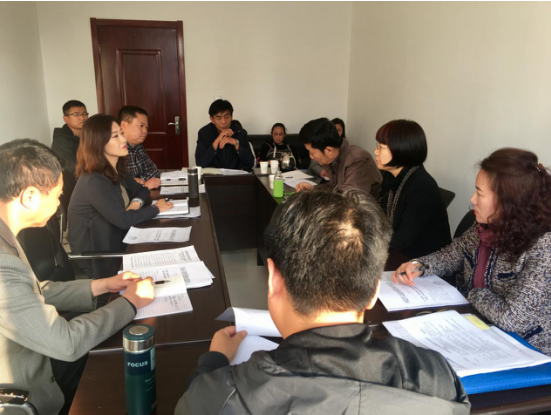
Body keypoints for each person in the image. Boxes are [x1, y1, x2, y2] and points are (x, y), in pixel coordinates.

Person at [176, 189, 470, 414]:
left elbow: (195, 402)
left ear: (273, 279)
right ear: (374, 292)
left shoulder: (222, 395)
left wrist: (213, 361)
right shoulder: (437, 377)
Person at [0, 139, 155, 415]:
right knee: (120, 359)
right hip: (28, 383)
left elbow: (32, 290)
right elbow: (67, 343)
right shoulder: (3, 263)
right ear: (29, 197)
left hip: (35, 346)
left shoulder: (6, 237)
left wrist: (101, 285)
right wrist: (130, 302)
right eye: (58, 195)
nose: (60, 203)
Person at [394, 148, 551, 356]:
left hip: (525, 349)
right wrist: (419, 266)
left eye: (480, 193)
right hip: (476, 326)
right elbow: (453, 254)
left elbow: (512, 318)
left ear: (509, 202)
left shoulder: (543, 246)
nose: (472, 199)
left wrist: (473, 293)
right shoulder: (487, 226)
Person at [68, 114, 173, 279]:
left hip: (117, 238)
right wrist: (156, 209)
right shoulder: (93, 180)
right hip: (100, 256)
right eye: (115, 136)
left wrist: (135, 204)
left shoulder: (116, 168)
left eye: (122, 133)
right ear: (98, 142)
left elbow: (142, 190)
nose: (123, 140)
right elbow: (123, 220)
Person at [375, 119, 451, 258]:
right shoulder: (390, 176)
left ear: (400, 150)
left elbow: (402, 240)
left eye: (381, 147)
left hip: (424, 262)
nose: (376, 151)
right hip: (398, 253)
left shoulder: (422, 186)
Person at [296, 118, 382, 198]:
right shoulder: (334, 157)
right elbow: (336, 188)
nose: (311, 156)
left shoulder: (357, 160)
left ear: (328, 150)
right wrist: (313, 189)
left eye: (312, 152)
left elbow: (350, 198)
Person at [195, 99, 255, 169]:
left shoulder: (240, 133)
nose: (223, 122)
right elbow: (200, 163)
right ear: (212, 119)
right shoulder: (204, 133)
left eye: (226, 117)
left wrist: (235, 142)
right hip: (212, 174)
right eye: (219, 118)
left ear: (231, 117)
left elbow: (250, 163)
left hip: (234, 175)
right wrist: (218, 140)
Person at [51, 100, 89, 204]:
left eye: (84, 114)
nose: (82, 118)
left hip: (90, 182)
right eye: (76, 114)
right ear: (65, 118)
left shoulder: (89, 135)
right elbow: (72, 169)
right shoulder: (62, 140)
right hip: (74, 191)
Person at [118, 106, 161, 190]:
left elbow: (153, 170)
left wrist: (141, 182)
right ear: (123, 125)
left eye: (146, 127)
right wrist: (144, 184)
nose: (145, 131)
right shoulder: (115, 149)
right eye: (141, 126)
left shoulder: (138, 145)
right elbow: (120, 184)